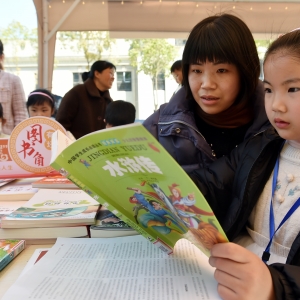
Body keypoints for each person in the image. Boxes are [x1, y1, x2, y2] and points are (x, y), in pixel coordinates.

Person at [190, 29, 300, 300]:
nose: (276, 105)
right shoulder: (262, 144)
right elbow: (209, 183)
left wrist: (278, 286)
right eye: (269, 90)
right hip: (222, 279)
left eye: (293, 89)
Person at [143, 14, 270, 173]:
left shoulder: (277, 127)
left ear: (246, 71)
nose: (207, 84)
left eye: (221, 70)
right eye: (197, 70)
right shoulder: (158, 129)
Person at [56, 60, 115, 139]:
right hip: (75, 148)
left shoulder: (108, 101)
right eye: (110, 73)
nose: (113, 78)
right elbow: (61, 124)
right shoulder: (77, 92)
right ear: (97, 73)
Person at [0, 39, 27, 134]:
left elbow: (21, 116)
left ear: (1, 57)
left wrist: (16, 142)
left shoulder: (12, 80)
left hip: (5, 143)